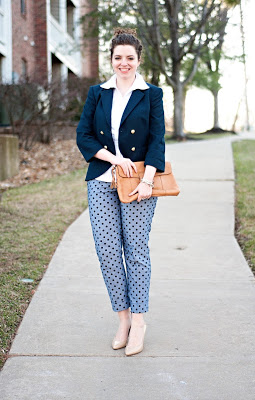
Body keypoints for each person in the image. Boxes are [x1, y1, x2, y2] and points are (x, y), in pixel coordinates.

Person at [76, 28, 165, 356]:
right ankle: (123, 318)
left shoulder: (151, 94)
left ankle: (140, 322)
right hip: (102, 179)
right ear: (111, 60)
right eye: (118, 58)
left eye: (130, 58)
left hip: (140, 183)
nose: (123, 63)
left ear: (138, 60)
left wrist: (147, 180)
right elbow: (83, 135)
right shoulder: (97, 92)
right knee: (109, 252)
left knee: (136, 251)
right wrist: (113, 158)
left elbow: (157, 140)